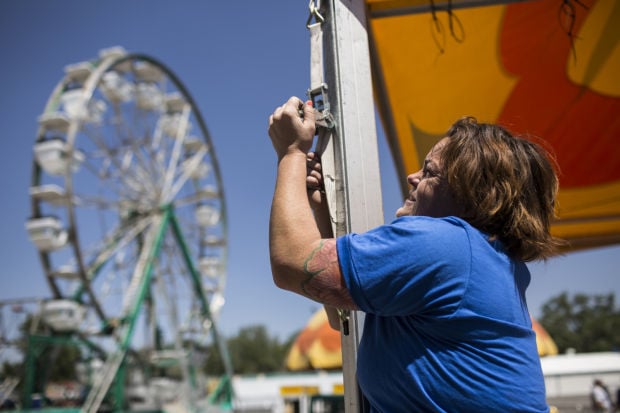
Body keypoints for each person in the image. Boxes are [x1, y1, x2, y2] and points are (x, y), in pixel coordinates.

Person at [268, 96, 564, 412]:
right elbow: (341, 313)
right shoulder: (488, 258)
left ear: (473, 193)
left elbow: (291, 263)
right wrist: (322, 212)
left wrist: (291, 153)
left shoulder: (447, 245)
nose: (412, 177)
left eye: (429, 171)